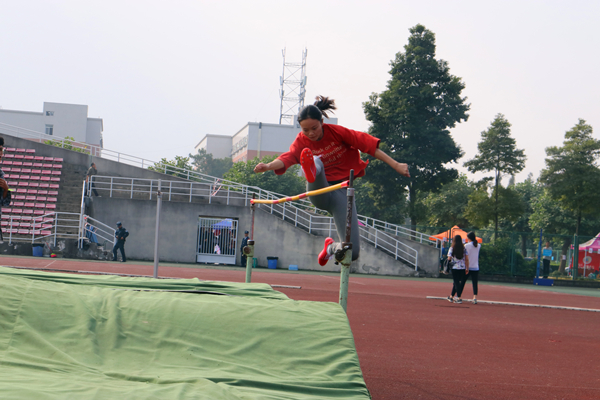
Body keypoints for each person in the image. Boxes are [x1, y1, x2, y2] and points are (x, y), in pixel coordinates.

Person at [253, 96, 409, 265]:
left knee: (351, 251)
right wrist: (268, 166)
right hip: (320, 189)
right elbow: (288, 158)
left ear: (322, 122)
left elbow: (368, 145)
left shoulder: (337, 132)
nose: (311, 133)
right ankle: (312, 168)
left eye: (314, 128)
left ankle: (330, 248)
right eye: (306, 130)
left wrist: (396, 165)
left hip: (342, 192)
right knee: (316, 160)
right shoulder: (301, 142)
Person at [446, 234, 469, 304]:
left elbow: (449, 258)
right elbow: (466, 259)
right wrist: (467, 268)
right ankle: (451, 296)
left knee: (456, 282)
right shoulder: (464, 249)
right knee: (456, 282)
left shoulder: (452, 248)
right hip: (462, 267)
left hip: (454, 267)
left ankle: (459, 297)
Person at [0, 137, 12, 243]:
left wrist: (5, 189)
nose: (0, 153)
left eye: (1, 150)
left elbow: (4, 202)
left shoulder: (1, 174)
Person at [464, 232, 480, 304]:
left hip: (468, 266)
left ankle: (458, 296)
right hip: (475, 267)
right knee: (475, 283)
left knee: (462, 281)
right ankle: (475, 297)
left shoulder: (466, 245)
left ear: (469, 238)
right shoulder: (478, 245)